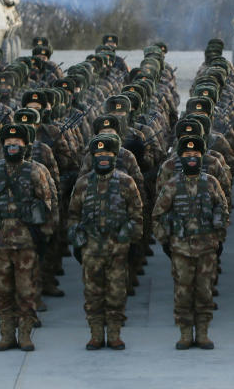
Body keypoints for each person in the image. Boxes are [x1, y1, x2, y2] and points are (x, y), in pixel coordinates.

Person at [0, 123, 55, 351]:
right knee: (2, 291)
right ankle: (7, 334)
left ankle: (26, 334)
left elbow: (47, 203)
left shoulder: (34, 171)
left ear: (25, 145)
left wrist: (43, 237)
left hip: (26, 242)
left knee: (26, 290)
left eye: (17, 143)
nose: (12, 146)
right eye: (8, 143)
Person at [152, 136, 229, 350]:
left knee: (205, 291)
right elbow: (157, 215)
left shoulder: (211, 183)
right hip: (180, 249)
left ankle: (203, 333)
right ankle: (185, 333)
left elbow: (222, 211)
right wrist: (166, 241)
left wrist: (218, 238)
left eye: (196, 155)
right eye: (187, 155)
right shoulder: (172, 185)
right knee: (183, 293)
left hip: (206, 249)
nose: (192, 158)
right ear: (180, 158)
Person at [68, 134, 143, 350]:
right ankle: (96, 335)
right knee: (92, 294)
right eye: (99, 154)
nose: (103, 158)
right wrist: (77, 237)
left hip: (117, 250)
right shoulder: (83, 184)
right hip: (91, 250)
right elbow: (73, 214)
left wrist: (127, 236)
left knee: (116, 293)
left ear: (114, 156)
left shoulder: (126, 182)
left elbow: (137, 215)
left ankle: (115, 334)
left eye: (107, 154)